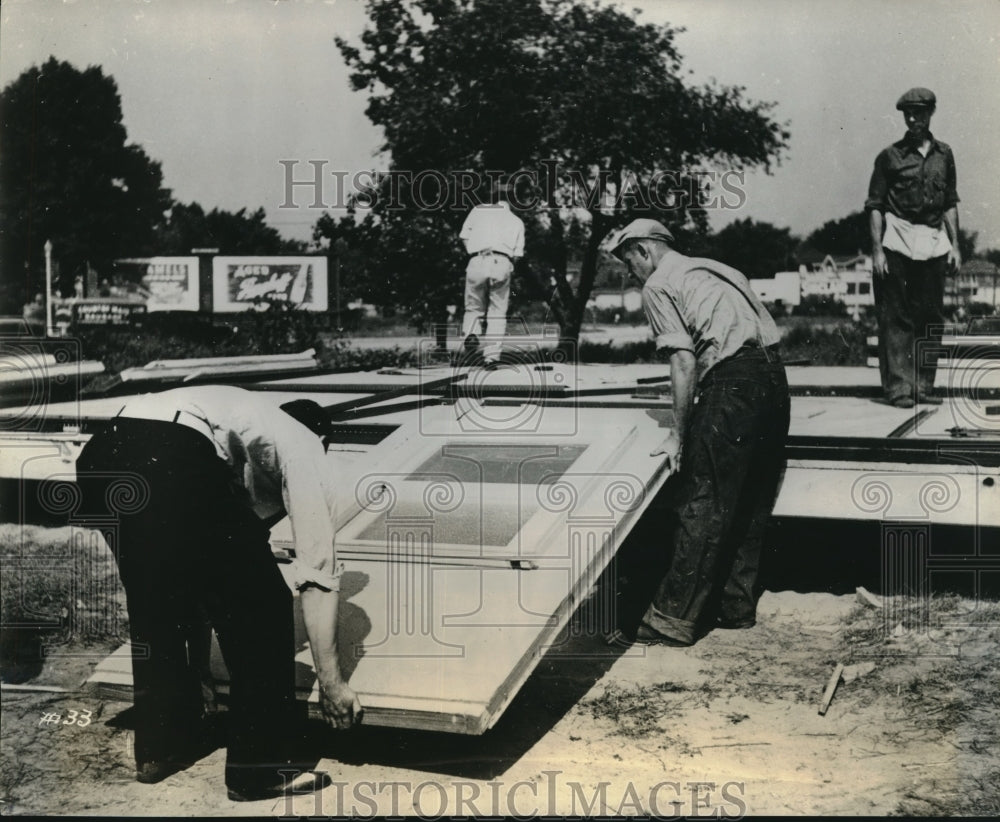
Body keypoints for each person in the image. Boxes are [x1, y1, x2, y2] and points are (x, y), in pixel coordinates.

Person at [75, 386, 361, 801]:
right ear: (324, 440)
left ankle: (160, 749)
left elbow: (199, 581)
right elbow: (317, 575)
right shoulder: (304, 443)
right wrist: (333, 685)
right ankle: (257, 771)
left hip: (103, 453)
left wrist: (202, 670)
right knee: (264, 607)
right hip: (169, 449)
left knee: (157, 602)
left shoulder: (240, 424)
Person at [607, 219, 790, 646]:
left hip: (733, 383)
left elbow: (684, 361)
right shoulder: (718, 268)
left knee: (703, 501)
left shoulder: (658, 285)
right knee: (750, 499)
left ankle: (670, 620)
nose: (628, 272)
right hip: (775, 380)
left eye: (628, 262)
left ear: (644, 251)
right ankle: (734, 607)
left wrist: (678, 433)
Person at [866, 87, 960, 409]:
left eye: (918, 112)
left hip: (933, 241)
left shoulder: (944, 155)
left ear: (931, 113)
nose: (912, 118)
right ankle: (899, 388)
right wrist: (877, 250)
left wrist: (956, 246)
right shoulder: (889, 156)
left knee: (930, 316)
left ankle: (922, 385)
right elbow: (875, 205)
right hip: (898, 240)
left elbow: (950, 203)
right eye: (907, 113)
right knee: (896, 317)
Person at [458, 181, 525, 365]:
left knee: (473, 307)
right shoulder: (517, 221)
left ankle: (472, 333)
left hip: (477, 259)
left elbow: (464, 236)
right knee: (497, 312)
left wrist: (476, 254)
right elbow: (518, 254)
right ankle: (492, 357)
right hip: (502, 261)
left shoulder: (478, 210)